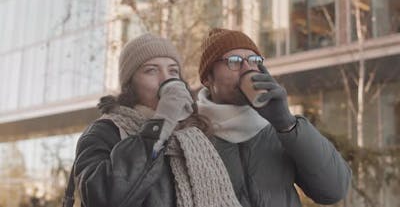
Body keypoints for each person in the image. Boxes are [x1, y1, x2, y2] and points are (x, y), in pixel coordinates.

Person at [71, 34, 243, 207]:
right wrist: (160, 125)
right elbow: (101, 197)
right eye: (151, 70)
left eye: (173, 71)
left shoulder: (196, 133)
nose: (166, 79)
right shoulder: (105, 131)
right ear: (130, 84)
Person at [196, 28, 352, 207]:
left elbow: (334, 190)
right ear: (208, 77)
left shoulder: (280, 129)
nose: (247, 69)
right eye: (234, 61)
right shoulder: (191, 136)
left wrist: (287, 124)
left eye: (254, 61)